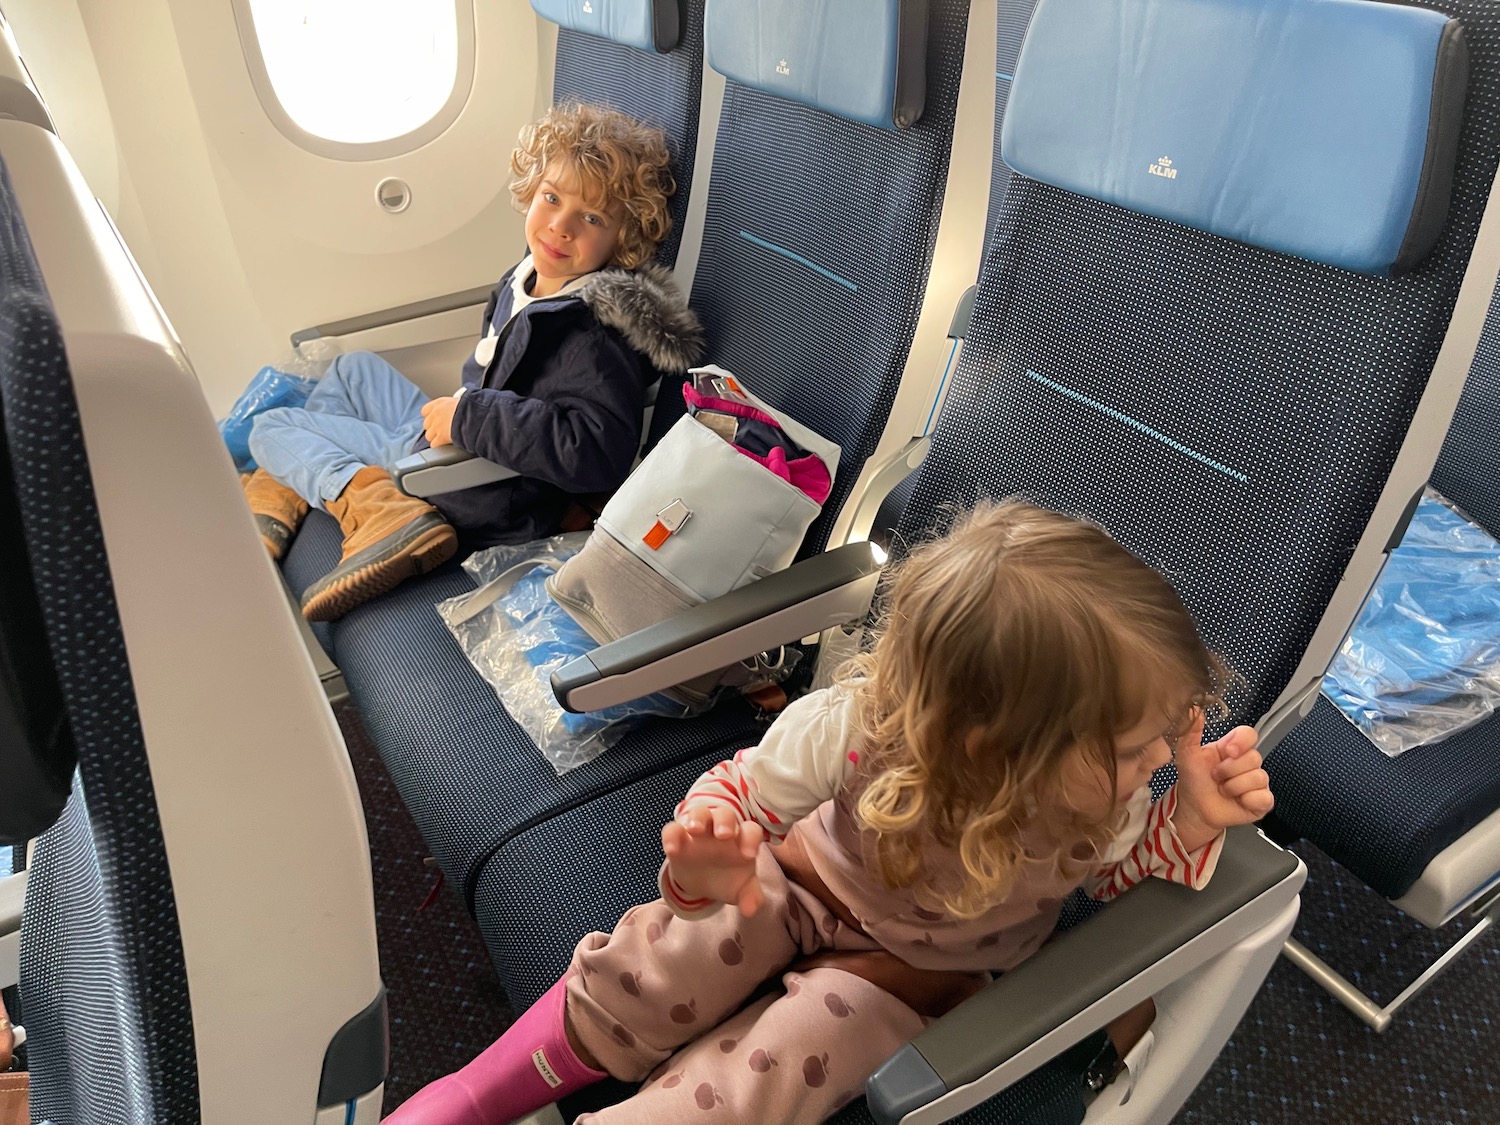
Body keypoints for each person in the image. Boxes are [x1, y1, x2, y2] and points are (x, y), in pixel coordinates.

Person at [386, 501, 1276, 1124]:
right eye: (1134, 748)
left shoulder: (1099, 801)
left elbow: (1118, 878)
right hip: (805, 882)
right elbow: (738, 796)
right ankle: (487, 1087)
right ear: (995, 753)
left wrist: (1191, 819)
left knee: (777, 1072)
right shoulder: (850, 732)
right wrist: (707, 867)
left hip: (917, 975)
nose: (1158, 760)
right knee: (678, 951)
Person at [242, 102, 704, 621]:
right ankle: (285, 488)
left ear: (624, 238)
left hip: (473, 482)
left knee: (269, 427)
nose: (560, 227)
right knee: (354, 369)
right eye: (551, 198)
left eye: (591, 218)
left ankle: (382, 508)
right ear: (530, 191)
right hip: (458, 429)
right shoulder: (527, 277)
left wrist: (468, 417)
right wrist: (462, 414)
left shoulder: (592, 335)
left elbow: (596, 450)